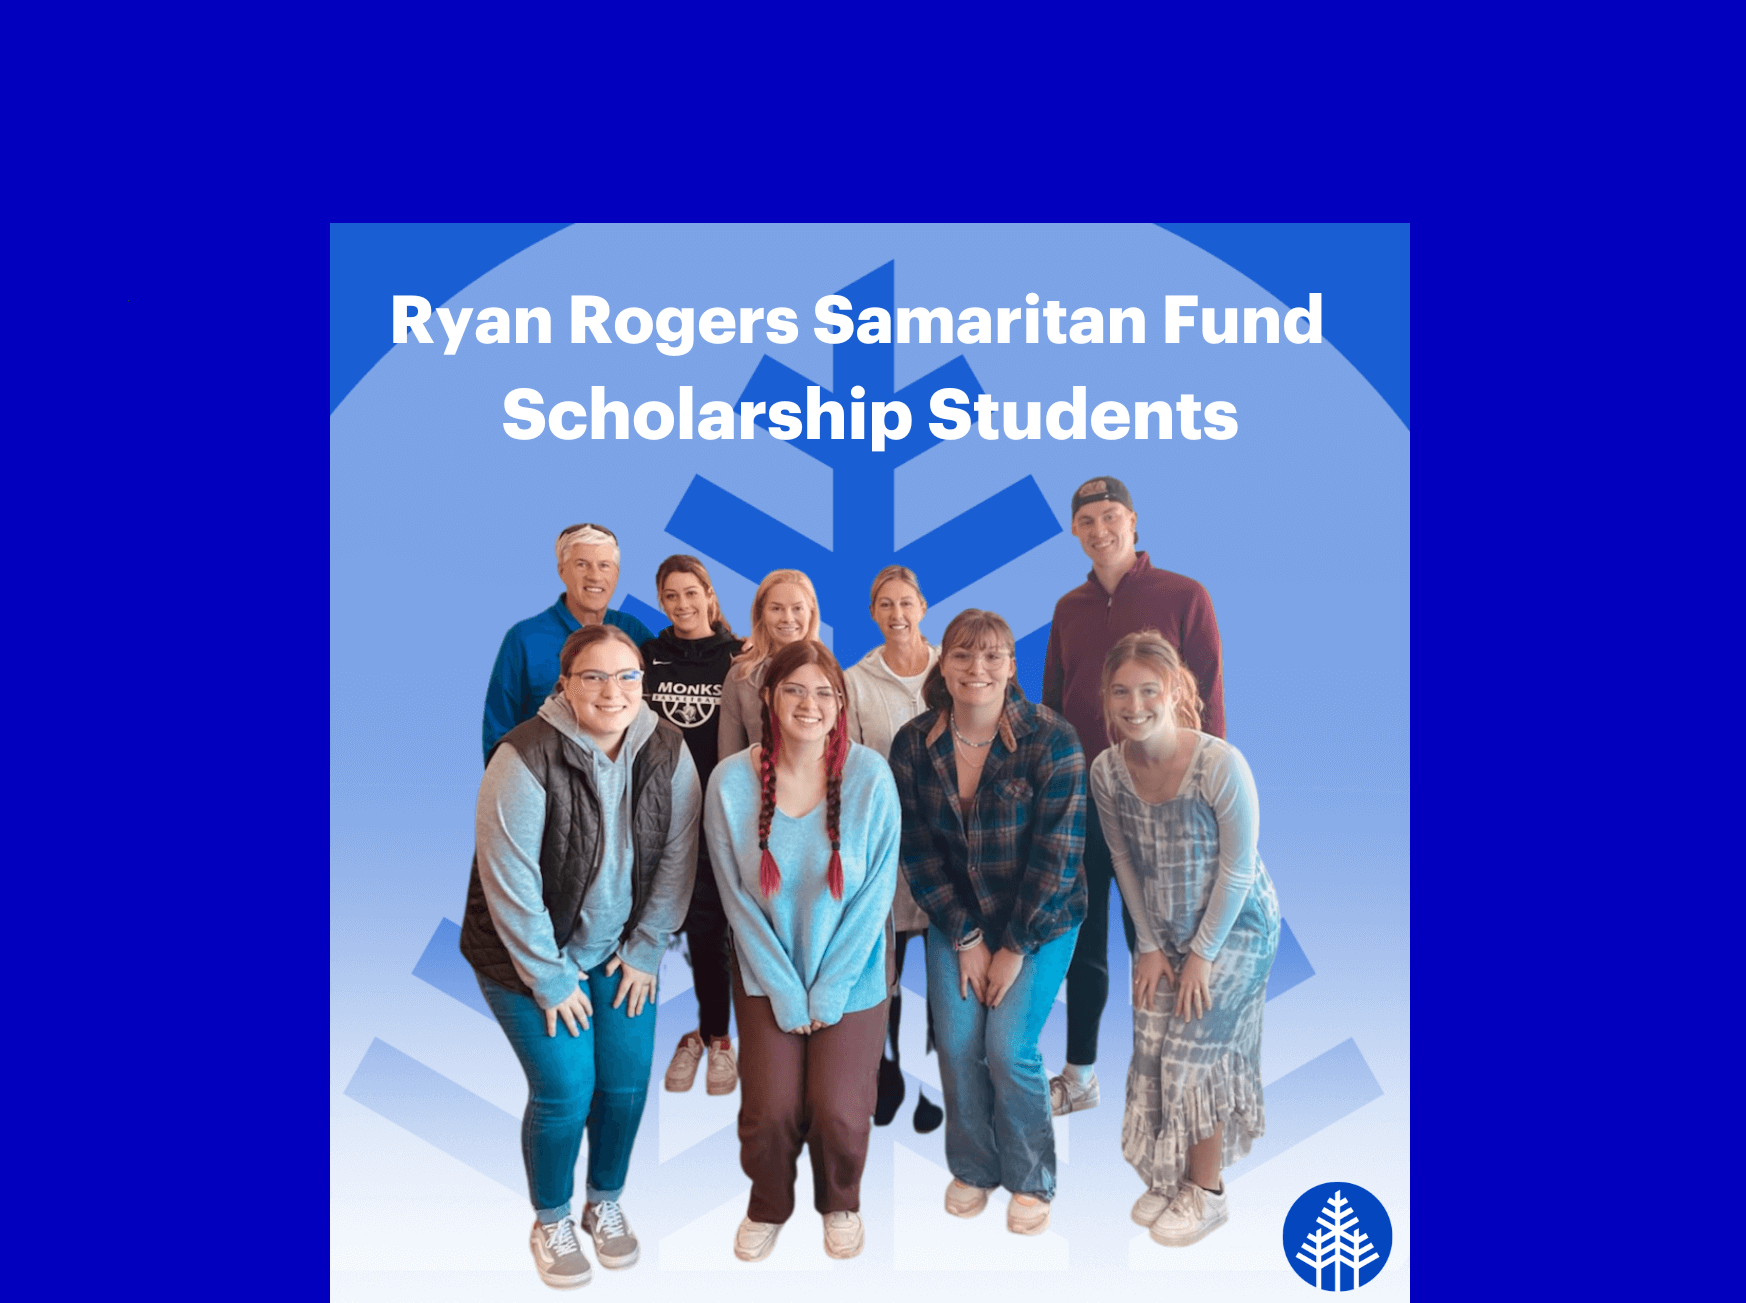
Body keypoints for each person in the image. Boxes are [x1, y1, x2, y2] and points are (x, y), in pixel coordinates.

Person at [459, 624, 700, 1288]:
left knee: (623, 1083)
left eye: (626, 676)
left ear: (643, 684)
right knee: (568, 1088)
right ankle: (551, 1217)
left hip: (621, 949)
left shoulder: (669, 749)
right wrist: (548, 976)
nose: (612, 690)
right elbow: (508, 882)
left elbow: (680, 859)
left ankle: (605, 1202)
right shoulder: (524, 755)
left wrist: (647, 947)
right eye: (592, 676)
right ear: (564, 684)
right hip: (526, 954)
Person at [887, 609, 1086, 1237]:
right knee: (958, 1043)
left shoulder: (1052, 738)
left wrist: (1014, 947)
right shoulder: (914, 743)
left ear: (1011, 666)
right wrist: (967, 936)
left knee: (1007, 1048)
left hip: (1043, 919)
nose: (978, 668)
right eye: (964, 656)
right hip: (959, 918)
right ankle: (974, 1166)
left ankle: (1031, 1179)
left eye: (993, 656)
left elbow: (1060, 856)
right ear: (942, 664)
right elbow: (915, 848)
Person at [704, 639, 899, 1263]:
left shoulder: (870, 776)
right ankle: (768, 1205)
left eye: (824, 692)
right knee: (770, 1110)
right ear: (768, 698)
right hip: (768, 973)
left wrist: (830, 989)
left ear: (840, 705)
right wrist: (788, 991)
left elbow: (875, 897)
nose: (809, 704)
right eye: (794, 690)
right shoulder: (730, 784)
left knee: (838, 1110)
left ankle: (841, 1202)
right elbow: (737, 900)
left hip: (854, 972)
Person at [1041, 475, 1226, 1116]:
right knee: (1084, 939)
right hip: (1085, 801)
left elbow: (1210, 707)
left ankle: (1171, 1082)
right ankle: (1081, 1073)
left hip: (1163, 801)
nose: (1100, 530)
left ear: (1134, 521)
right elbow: (1052, 707)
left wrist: (1198, 797)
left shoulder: (1184, 595)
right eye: (1087, 520)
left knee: (1163, 940)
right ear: (1075, 531)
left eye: (1111, 516)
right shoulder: (1068, 609)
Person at [1089, 630, 1277, 1246]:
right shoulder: (1107, 772)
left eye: (1148, 690)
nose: (1134, 704)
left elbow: (1237, 869)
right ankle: (1169, 1176)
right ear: (1106, 698)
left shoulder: (1220, 764)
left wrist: (1201, 957)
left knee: (1191, 1051)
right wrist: (1147, 945)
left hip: (1235, 930)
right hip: (1164, 928)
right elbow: (1122, 858)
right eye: (1120, 692)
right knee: (1151, 1042)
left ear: (1172, 691)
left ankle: (1208, 1192)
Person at [843, 564, 944, 1134]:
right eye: (886, 604)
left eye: (906, 602)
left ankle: (934, 1084)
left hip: (948, 847)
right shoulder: (857, 682)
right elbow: (854, 766)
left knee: (944, 974)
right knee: (883, 970)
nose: (897, 614)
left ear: (923, 607)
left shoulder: (950, 670)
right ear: (874, 613)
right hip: (886, 844)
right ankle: (887, 1071)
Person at [640, 555, 745, 1097]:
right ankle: (643, 1039)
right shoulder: (649, 656)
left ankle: (716, 1037)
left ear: (709, 594)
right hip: (657, 815)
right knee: (647, 924)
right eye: (670, 596)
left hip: (716, 814)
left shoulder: (738, 656)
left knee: (709, 930)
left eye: (690, 593)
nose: (682, 605)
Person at [483, 522, 657, 763]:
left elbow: (679, 666)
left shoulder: (635, 632)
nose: (594, 576)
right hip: (543, 784)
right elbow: (498, 726)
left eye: (604, 565)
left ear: (616, 574)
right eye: (581, 564)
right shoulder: (524, 638)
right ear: (561, 570)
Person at [715, 569, 820, 757]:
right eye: (776, 608)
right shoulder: (741, 678)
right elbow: (729, 759)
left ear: (811, 612)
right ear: (761, 613)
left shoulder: (828, 675)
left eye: (797, 608)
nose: (787, 618)